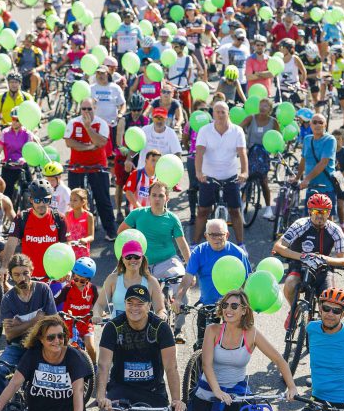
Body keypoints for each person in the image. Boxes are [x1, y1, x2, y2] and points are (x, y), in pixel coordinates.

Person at [0, 254, 57, 411]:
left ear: (32, 271)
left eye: (25, 273)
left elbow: (54, 323)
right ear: (11, 276)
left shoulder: (43, 289)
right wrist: (36, 321)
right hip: (17, 346)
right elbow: (9, 335)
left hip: (42, 346)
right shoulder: (8, 299)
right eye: (17, 274)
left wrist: (19, 325)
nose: (22, 278)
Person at [273, 192, 344, 316]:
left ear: (329, 213)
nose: (320, 215)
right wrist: (302, 257)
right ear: (309, 211)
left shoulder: (335, 230)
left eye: (324, 212)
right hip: (299, 266)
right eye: (316, 211)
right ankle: (294, 312)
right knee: (290, 283)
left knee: (330, 301)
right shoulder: (300, 225)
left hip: (323, 269)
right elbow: (278, 246)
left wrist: (324, 258)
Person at [194, 101, 248, 246]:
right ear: (213, 114)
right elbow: (199, 152)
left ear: (228, 114)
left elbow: (242, 153)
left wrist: (244, 172)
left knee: (235, 211)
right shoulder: (205, 130)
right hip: (208, 177)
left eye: (223, 112)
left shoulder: (237, 131)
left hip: (230, 176)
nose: (220, 115)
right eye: (217, 112)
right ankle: (194, 244)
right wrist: (199, 172)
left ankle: (241, 244)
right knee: (203, 211)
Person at [65, 97, 117, 242]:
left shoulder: (102, 123)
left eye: (89, 109)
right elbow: (69, 142)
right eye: (84, 109)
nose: (86, 112)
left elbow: (101, 142)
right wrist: (89, 147)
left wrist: (88, 128)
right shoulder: (73, 122)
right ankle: (72, 230)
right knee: (74, 200)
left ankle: (111, 231)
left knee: (103, 199)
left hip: (97, 166)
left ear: (95, 108)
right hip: (77, 166)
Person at [176, 218, 251, 316]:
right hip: (207, 306)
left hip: (232, 308)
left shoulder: (239, 253)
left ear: (227, 235)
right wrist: (178, 299)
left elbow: (247, 281)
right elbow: (187, 278)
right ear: (206, 236)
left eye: (220, 234)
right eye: (212, 235)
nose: (216, 238)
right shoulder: (199, 252)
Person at [118, 181, 190, 283]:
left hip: (168, 262)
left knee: (180, 283)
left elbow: (182, 245)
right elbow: (121, 233)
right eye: (154, 195)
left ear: (167, 198)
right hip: (140, 265)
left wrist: (191, 272)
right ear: (149, 197)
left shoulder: (173, 219)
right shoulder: (137, 214)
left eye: (161, 196)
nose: (157, 199)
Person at [0, 178, 68, 282]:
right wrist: (4, 267)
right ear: (31, 200)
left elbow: (66, 247)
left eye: (45, 200)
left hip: (54, 277)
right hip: (28, 279)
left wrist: (67, 269)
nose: (41, 204)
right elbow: (11, 244)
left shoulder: (59, 218)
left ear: (50, 199)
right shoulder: (22, 218)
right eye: (37, 200)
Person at [94, 240, 165, 320]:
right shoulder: (112, 279)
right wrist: (96, 315)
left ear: (142, 258)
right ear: (123, 259)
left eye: (136, 257)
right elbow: (100, 304)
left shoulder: (151, 281)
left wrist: (162, 315)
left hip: (143, 326)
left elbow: (160, 309)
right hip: (117, 326)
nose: (133, 260)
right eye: (128, 257)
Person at [241, 97, 280, 220]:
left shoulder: (273, 122)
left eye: (265, 106)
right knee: (246, 178)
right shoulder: (251, 118)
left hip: (264, 154)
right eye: (261, 105)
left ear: (270, 109)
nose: (262, 108)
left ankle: (268, 209)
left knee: (264, 181)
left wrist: (276, 152)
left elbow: (278, 138)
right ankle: (242, 204)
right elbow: (238, 129)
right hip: (251, 152)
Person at [53, 257, 98, 363]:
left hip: (85, 323)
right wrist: (55, 314)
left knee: (90, 347)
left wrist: (98, 314)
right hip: (69, 323)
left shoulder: (92, 289)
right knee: (65, 349)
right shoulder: (67, 288)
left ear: (88, 280)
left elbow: (97, 305)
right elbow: (54, 302)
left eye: (82, 280)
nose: (77, 282)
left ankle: (94, 367)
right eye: (75, 278)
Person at [296, 113, 338, 211]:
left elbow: (323, 163)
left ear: (325, 125)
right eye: (314, 122)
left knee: (327, 218)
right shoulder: (307, 139)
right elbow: (303, 160)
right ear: (310, 125)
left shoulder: (330, 140)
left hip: (326, 187)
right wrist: (297, 178)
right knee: (310, 217)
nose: (318, 125)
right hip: (311, 187)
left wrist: (307, 179)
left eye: (321, 122)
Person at [0, 109, 36, 201]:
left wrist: (25, 159)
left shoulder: (28, 134)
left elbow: (30, 150)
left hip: (23, 165)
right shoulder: (5, 133)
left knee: (30, 191)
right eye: (13, 119)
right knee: (6, 194)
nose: (14, 122)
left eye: (17, 120)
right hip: (8, 166)